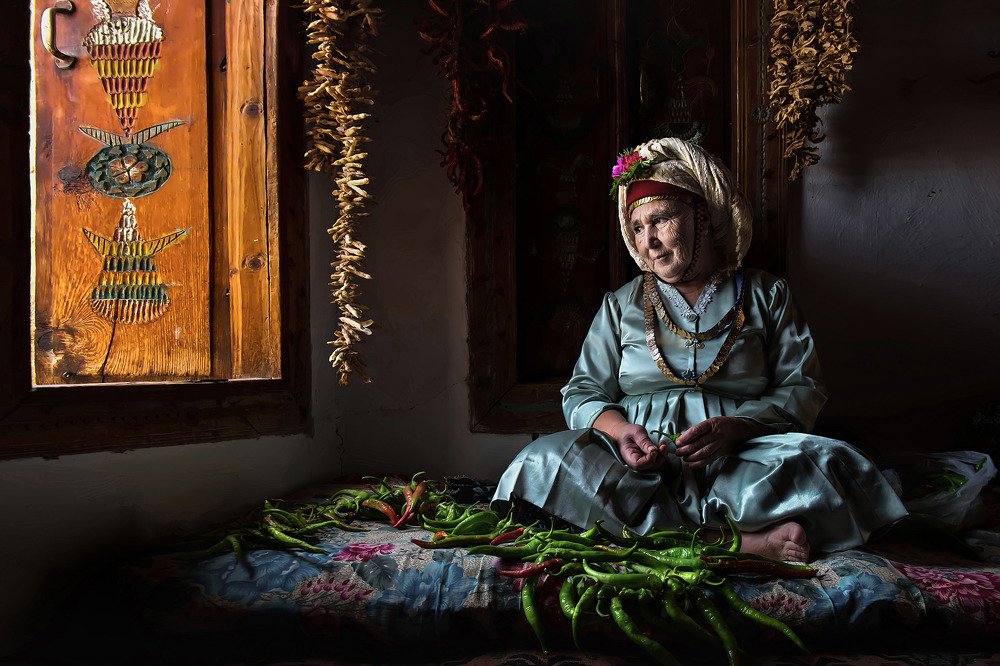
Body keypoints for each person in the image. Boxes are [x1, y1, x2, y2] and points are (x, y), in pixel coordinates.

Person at [491, 137, 907, 562]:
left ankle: (669, 536)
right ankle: (742, 543)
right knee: (541, 462)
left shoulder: (768, 294)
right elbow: (581, 391)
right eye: (637, 227)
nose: (647, 242)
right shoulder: (621, 305)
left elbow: (803, 386)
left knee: (831, 462)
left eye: (661, 220)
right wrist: (622, 433)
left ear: (701, 217)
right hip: (639, 464)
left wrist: (739, 428)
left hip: (741, 457)